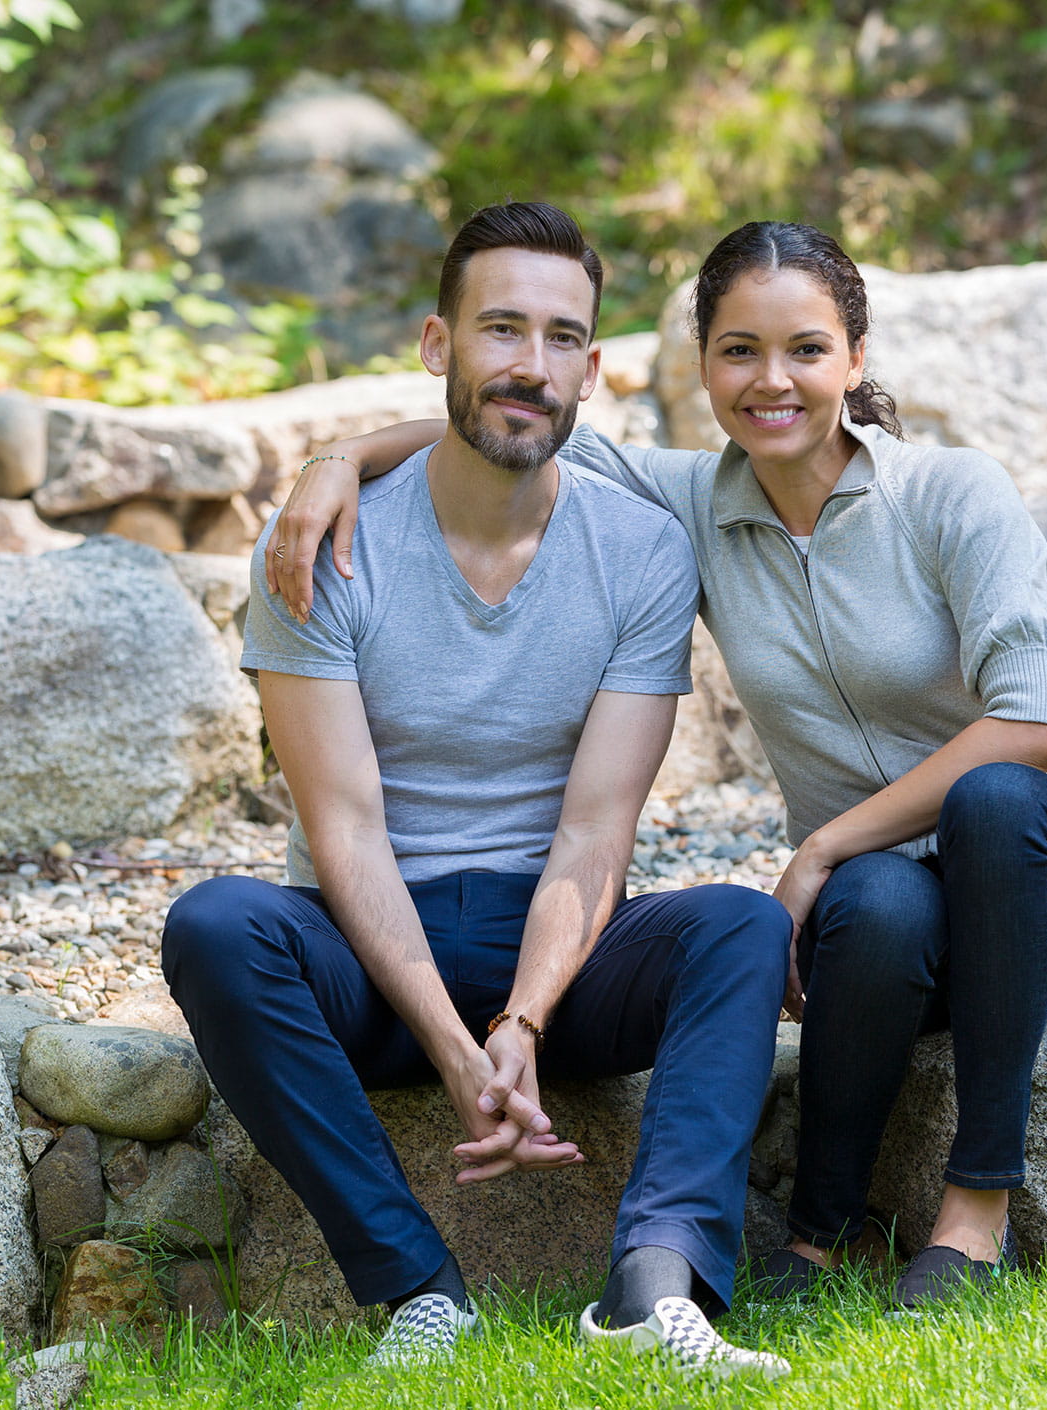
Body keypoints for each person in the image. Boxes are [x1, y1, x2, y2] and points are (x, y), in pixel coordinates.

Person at [268, 219, 1047, 1312]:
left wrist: (818, 847)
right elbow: (509, 421)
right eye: (737, 350)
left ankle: (973, 1211)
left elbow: (1035, 723)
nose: (770, 381)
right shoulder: (691, 502)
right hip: (897, 896)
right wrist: (336, 461)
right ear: (700, 368)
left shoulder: (950, 494)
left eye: (804, 350)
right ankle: (821, 1236)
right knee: (875, 903)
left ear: (855, 360)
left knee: (982, 800)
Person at [161, 202, 792, 1376]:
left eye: (561, 339)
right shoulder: (319, 545)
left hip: (549, 948)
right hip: (365, 948)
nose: (529, 365)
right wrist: (454, 1051)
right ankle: (417, 1291)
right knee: (216, 925)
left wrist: (521, 1023)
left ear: (593, 370)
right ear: (435, 346)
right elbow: (342, 830)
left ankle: (653, 1294)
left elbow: (595, 831)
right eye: (500, 328)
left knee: (740, 927)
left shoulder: (641, 550)